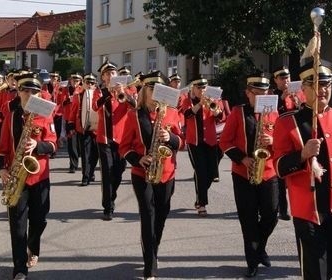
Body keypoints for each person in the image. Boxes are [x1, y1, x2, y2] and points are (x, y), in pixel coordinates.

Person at [272, 58, 332, 279]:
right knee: (315, 271)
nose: (322, 90)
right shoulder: (287, 122)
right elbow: (278, 167)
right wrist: (302, 155)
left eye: (326, 85)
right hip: (308, 210)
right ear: (303, 89)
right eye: (315, 85)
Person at [119, 70, 184, 280]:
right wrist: (138, 159)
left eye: (159, 88)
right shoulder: (134, 115)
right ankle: (150, 265)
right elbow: (124, 146)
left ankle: (153, 248)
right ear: (144, 91)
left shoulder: (172, 113)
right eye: (150, 88)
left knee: (162, 215)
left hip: (167, 173)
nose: (154, 92)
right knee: (148, 215)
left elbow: (181, 142)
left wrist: (171, 137)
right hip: (142, 173)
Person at [0, 72, 57, 280]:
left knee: (39, 221)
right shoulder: (11, 116)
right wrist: (2, 169)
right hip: (16, 178)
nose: (30, 95)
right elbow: (2, 148)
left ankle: (33, 246)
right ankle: (20, 268)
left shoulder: (45, 115)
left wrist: (37, 145)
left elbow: (54, 145)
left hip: (39, 176)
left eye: (34, 91)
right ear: (18, 92)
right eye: (26, 91)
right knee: (18, 225)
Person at [219, 74, 279, 277]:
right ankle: (252, 261)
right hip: (243, 174)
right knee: (248, 219)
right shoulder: (238, 113)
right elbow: (225, 142)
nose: (262, 97)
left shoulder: (274, 114)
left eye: (265, 93)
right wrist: (242, 158)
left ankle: (260, 246)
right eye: (257, 93)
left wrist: (273, 140)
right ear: (248, 93)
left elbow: (283, 144)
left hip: (268, 172)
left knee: (271, 215)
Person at [93, 61, 136, 220]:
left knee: (118, 171)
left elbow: (135, 106)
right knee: (107, 172)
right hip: (104, 138)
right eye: (108, 74)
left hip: (122, 138)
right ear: (103, 77)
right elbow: (95, 106)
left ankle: (111, 195)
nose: (111, 75)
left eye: (113, 73)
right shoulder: (100, 92)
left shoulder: (126, 90)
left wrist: (124, 93)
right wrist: (109, 94)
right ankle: (108, 207)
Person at [180, 75, 225, 216]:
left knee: (211, 173)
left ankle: (200, 195)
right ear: (193, 88)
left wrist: (215, 110)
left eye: (203, 87)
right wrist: (199, 104)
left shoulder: (215, 99)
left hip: (211, 140)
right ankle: (201, 203)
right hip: (195, 141)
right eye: (198, 88)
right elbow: (186, 115)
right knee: (200, 171)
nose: (201, 90)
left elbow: (221, 117)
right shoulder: (188, 100)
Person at [271, 65, 306, 221]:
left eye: (288, 78)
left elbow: (303, 112)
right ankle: (283, 209)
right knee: (281, 174)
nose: (286, 81)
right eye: (282, 78)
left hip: (295, 136)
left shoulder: (298, 94)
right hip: (279, 136)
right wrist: (281, 98)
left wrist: (297, 101)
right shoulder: (272, 96)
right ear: (276, 80)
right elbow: (271, 116)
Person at [68, 73, 99, 186]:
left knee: (95, 154)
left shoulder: (99, 95)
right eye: (87, 82)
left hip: (96, 129)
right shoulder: (78, 96)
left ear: (95, 85)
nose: (90, 85)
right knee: (85, 154)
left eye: (92, 83)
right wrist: (71, 125)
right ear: (83, 84)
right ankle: (85, 177)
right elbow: (73, 111)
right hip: (82, 128)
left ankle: (90, 172)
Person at [62, 74, 82, 173]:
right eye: (73, 81)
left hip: (80, 120)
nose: (75, 83)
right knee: (72, 143)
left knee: (80, 144)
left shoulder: (82, 90)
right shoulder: (65, 90)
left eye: (77, 81)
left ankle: (82, 162)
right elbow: (61, 103)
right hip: (69, 119)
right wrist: (68, 100)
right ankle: (73, 165)